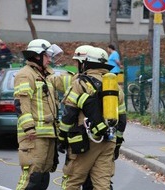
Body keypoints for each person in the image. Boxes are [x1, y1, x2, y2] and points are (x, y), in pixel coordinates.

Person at [59, 46, 127, 190]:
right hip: (109, 141)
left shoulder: (80, 83)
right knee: (102, 184)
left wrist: (62, 138)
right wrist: (117, 142)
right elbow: (122, 119)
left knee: (73, 181)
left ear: (86, 64)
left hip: (85, 140)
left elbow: (69, 114)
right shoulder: (116, 88)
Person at [14, 39, 63, 190]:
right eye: (47, 55)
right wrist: (29, 128)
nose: (50, 59)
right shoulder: (25, 75)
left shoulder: (45, 76)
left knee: (43, 177)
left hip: (48, 135)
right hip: (33, 136)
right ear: (37, 56)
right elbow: (21, 104)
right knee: (31, 178)